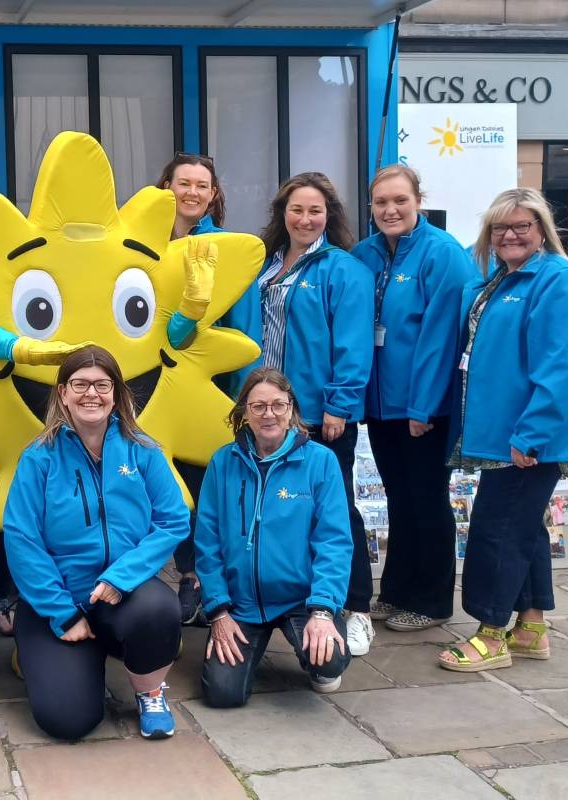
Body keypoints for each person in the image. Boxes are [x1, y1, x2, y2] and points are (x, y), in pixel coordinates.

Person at [439, 188, 568, 672]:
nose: (509, 235)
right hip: (505, 431)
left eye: (521, 226)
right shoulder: (504, 277)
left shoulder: (560, 281)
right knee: (523, 526)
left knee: (497, 530)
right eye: (499, 227)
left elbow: (561, 367)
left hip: (529, 437)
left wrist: (531, 434)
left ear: (542, 230)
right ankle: (530, 626)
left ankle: (490, 634)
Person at [4, 346, 190, 741]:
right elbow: (22, 541)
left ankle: (151, 692)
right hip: (58, 601)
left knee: (159, 608)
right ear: (62, 394)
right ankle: (54, 655)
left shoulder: (143, 451)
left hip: (122, 593)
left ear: (116, 392)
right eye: (81, 384)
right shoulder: (39, 458)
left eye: (102, 385)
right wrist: (62, 613)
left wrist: (122, 577)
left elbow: (173, 521)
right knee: (68, 722)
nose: (92, 393)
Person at [252, 173, 375, 655]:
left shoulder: (343, 269)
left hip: (318, 416)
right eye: (297, 210)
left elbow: (352, 342)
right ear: (282, 213)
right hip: (266, 411)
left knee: (337, 509)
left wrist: (340, 404)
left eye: (316, 211)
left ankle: (358, 607)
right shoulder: (265, 264)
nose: (306, 219)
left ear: (330, 216)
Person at [352, 165, 474, 632]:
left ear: (418, 200)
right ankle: (398, 589)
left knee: (427, 500)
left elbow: (441, 338)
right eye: (381, 202)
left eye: (399, 200)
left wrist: (423, 408)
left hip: (424, 409)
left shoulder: (442, 254)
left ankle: (432, 600)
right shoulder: (364, 254)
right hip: (382, 407)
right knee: (399, 498)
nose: (390, 210)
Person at [194, 368, 352, 706]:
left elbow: (334, 542)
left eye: (278, 405)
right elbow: (207, 544)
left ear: (292, 408)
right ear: (244, 413)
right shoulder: (223, 462)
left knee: (330, 657)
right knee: (222, 695)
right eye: (258, 406)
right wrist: (218, 612)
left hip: (301, 599)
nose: (269, 414)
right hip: (241, 604)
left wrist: (323, 612)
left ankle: (319, 654)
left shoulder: (321, 462)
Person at [155, 152, 261, 628]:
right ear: (166, 187)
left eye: (203, 185)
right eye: (184, 183)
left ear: (213, 195)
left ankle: (196, 578)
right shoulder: (143, 241)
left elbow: (245, 324)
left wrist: (240, 394)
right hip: (152, 384)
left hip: (208, 384)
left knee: (205, 485)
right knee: (162, 482)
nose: (193, 192)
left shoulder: (227, 246)